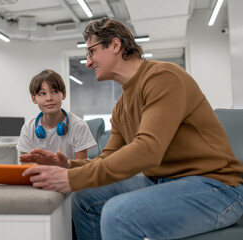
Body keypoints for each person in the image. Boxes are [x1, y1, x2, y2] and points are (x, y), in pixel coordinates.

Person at [20, 18, 243, 240]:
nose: (88, 62)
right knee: (84, 196)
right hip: (162, 180)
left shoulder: (163, 78)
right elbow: (107, 157)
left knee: (118, 214)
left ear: (115, 45)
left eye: (91, 52)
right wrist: (69, 165)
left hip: (217, 187)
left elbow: (148, 150)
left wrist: (72, 178)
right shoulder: (121, 107)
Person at [16, 69, 96, 160]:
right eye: (42, 93)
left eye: (54, 92)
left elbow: (81, 168)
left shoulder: (78, 126)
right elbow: (27, 168)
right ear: (34, 98)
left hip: (70, 174)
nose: (49, 98)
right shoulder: (28, 128)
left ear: (64, 94)